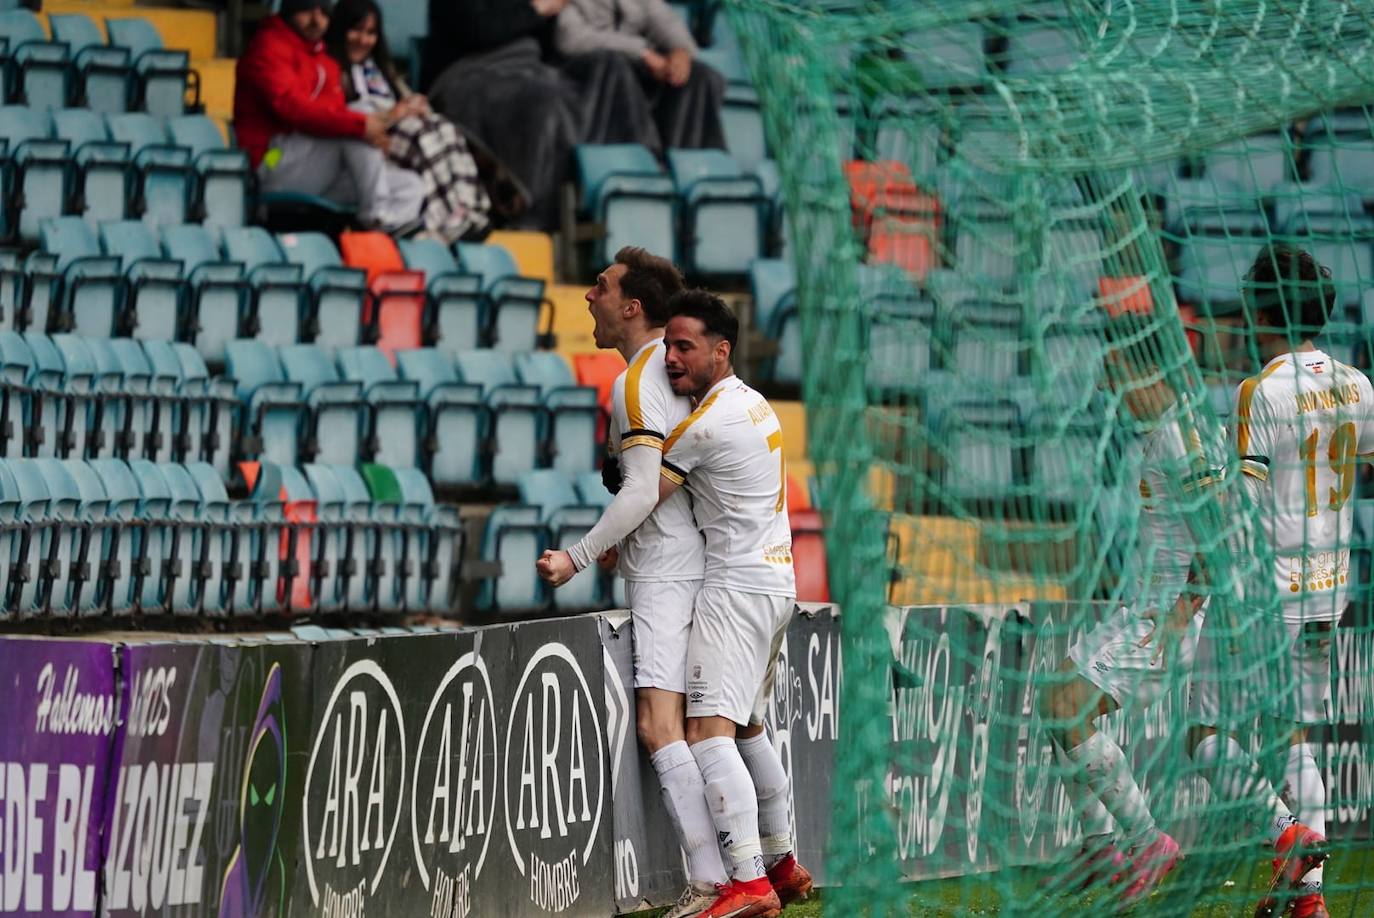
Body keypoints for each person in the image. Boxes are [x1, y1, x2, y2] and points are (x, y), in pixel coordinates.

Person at [534, 248, 729, 917]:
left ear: (632, 305)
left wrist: (579, 555)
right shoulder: (672, 371)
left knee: (659, 725)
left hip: (670, 572)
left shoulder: (640, 378)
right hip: (700, 558)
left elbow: (644, 487)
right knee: (719, 725)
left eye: (601, 286)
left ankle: (714, 882)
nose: (588, 295)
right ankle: (764, 871)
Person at [1189, 244, 1369, 918]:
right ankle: (1310, 902)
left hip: (1267, 589)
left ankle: (1284, 833)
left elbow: (1244, 498)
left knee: (1203, 732)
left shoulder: (1260, 391)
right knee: (1290, 735)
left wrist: (1201, 577)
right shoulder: (1359, 384)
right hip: (1333, 589)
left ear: (1263, 310)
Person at [1039, 315, 1221, 904]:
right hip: (1144, 608)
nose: (1107, 392)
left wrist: (1178, 613)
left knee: (1067, 706)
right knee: (1054, 700)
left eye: (1115, 376)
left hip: (1167, 619)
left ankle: (1148, 843)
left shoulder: (1183, 435)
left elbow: (1218, 535)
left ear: (1148, 372)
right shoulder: (1164, 427)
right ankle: (1099, 847)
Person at [656, 290, 811, 918]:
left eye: (684, 346)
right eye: (666, 345)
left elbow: (642, 487)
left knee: (705, 731)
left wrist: (592, 552)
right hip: (776, 582)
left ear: (721, 351)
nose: (670, 358)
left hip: (733, 588)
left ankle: (747, 883)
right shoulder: (756, 404)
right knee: (748, 727)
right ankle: (782, 863)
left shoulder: (706, 423)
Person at [234, 0, 423, 231]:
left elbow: (333, 115)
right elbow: (293, 108)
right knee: (357, 116)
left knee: (410, 187)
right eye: (307, 10)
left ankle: (377, 237)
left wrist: (371, 137)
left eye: (323, 13)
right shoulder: (268, 47)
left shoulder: (323, 59)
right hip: (269, 160)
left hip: (312, 169)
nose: (316, 20)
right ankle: (374, 215)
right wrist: (362, 126)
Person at [325, 0, 492, 242]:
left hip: (397, 135)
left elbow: (405, 104)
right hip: (365, 145)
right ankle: (444, 220)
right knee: (421, 135)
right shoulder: (331, 70)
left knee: (443, 126)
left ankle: (466, 210)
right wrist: (396, 113)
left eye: (370, 33)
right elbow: (344, 117)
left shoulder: (380, 70)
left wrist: (417, 106)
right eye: (356, 30)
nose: (363, 40)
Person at [554, 0, 726, 151]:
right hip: (577, 72)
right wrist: (641, 52)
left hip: (629, 68)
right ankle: (641, 156)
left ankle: (689, 164)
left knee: (698, 75)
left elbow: (666, 23)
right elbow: (570, 39)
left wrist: (681, 51)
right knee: (613, 64)